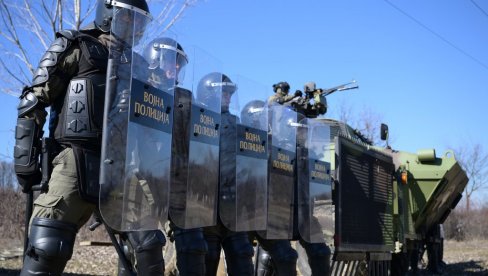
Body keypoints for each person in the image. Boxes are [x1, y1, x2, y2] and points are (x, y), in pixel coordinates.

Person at [12, 1, 164, 275]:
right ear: (109, 13)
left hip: (122, 169)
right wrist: (25, 164)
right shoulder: (77, 45)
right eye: (129, 18)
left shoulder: (139, 66)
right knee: (48, 247)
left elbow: (150, 124)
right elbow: (33, 102)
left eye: (140, 22)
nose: (134, 27)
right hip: (74, 161)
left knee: (149, 245)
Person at [199, 73, 255, 276]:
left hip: (234, 208)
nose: (229, 97)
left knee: (242, 257)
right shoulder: (198, 118)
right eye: (225, 92)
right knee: (207, 256)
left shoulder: (237, 124)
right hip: (206, 207)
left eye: (231, 93)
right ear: (210, 92)